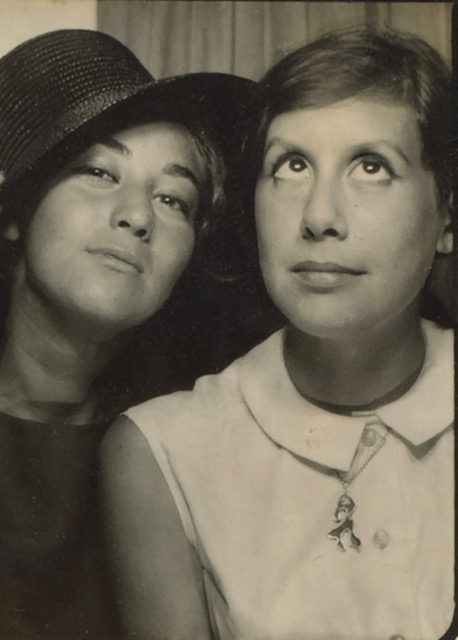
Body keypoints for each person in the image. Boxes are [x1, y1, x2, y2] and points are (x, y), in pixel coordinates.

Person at [101, 28, 456, 640]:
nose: (319, 217)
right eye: (291, 165)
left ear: (447, 216)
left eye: (371, 166)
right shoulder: (164, 450)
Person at [0, 28, 254, 639]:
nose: (137, 216)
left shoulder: (195, 439)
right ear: (15, 213)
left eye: (173, 199)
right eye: (98, 171)